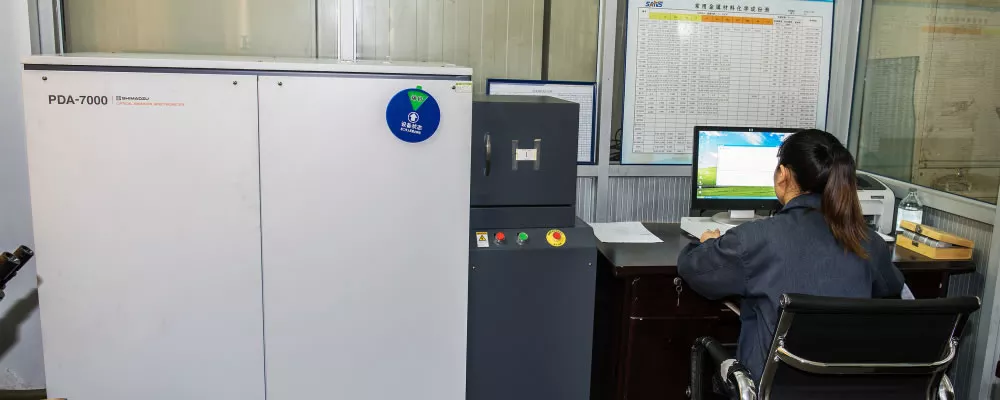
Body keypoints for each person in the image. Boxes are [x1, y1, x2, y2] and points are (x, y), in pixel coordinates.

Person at [677, 129, 905, 383]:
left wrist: (709, 243)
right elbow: (893, 289)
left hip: (770, 386)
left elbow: (695, 270)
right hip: (846, 387)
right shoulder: (867, 242)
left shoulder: (754, 239)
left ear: (783, 175)